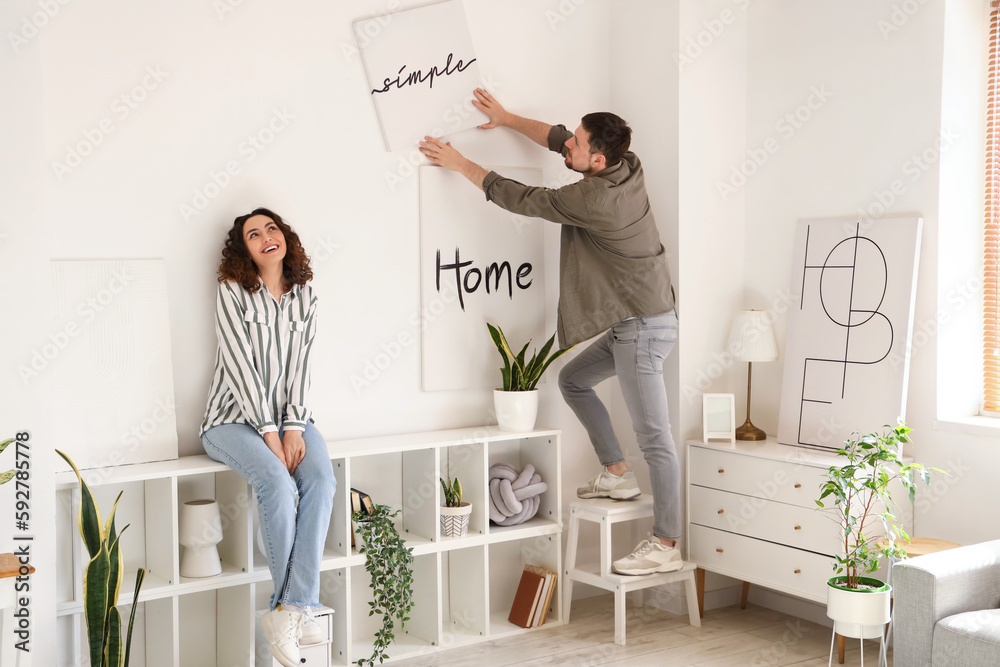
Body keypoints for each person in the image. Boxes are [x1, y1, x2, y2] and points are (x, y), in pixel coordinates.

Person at [419, 90, 681, 576]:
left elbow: (523, 199)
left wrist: (460, 164)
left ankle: (665, 542)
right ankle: (617, 474)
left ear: (597, 160)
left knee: (656, 440)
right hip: (633, 320)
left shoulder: (594, 199)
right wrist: (506, 118)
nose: (568, 146)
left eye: (578, 144)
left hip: (643, 326)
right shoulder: (628, 163)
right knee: (573, 380)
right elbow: (556, 138)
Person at [200, 208, 335, 667]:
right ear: (245, 248)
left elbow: (302, 366)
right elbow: (240, 367)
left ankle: (291, 608)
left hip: (292, 419)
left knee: (321, 481)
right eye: (253, 234)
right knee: (276, 483)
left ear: (284, 237)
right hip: (230, 421)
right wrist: (270, 434)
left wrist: (293, 426)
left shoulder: (305, 296)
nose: (265, 237)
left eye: (270, 228)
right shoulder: (233, 292)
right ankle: (296, 607)